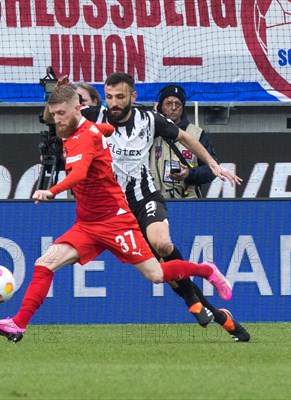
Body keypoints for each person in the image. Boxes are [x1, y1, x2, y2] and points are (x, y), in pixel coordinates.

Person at [0, 86, 233, 343]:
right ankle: (18, 324)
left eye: (60, 114)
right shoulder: (86, 128)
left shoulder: (84, 137)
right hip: (87, 224)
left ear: (77, 109)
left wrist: (51, 191)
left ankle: (205, 270)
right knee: (44, 264)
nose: (56, 119)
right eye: (54, 114)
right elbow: (107, 130)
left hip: (115, 221)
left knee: (157, 274)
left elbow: (78, 174)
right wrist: (104, 131)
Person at [97, 72, 250, 342]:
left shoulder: (148, 119)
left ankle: (195, 302)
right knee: (161, 274)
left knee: (163, 246)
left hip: (145, 197)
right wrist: (53, 97)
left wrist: (211, 163)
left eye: (120, 97)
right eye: (109, 97)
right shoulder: (92, 116)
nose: (114, 103)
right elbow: (57, 116)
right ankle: (216, 313)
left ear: (132, 97)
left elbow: (185, 138)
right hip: (114, 208)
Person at [150, 84, 217, 199]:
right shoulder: (150, 132)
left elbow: (212, 170)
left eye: (178, 104)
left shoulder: (196, 134)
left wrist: (189, 174)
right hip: (154, 202)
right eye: (169, 103)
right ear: (161, 106)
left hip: (187, 203)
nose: (174, 107)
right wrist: (155, 116)